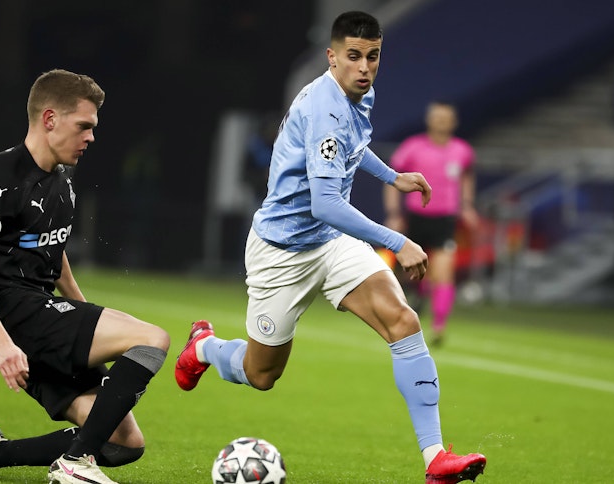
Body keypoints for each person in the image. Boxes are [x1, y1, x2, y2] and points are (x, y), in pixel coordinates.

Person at [175, 11, 486, 484]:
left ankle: (435, 459)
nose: (365, 67)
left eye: (373, 56)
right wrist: (397, 240)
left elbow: (353, 146)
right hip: (281, 251)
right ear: (332, 57)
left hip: (329, 244)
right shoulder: (325, 109)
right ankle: (206, 348)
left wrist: (392, 176)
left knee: (403, 321)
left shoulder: (358, 93)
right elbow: (324, 203)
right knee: (261, 374)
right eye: (354, 57)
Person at [0, 69, 170, 484]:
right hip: (12, 312)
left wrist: (81, 310)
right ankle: (74, 465)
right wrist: (4, 344)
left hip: (41, 314)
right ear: (49, 119)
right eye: (84, 126)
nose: (91, 137)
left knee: (122, 442)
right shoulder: (1, 176)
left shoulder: (62, 183)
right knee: (153, 338)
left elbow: (53, 254)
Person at [384, 101, 478, 346]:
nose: (441, 121)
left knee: (444, 272)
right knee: (415, 273)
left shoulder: (462, 151)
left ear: (453, 122)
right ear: (429, 119)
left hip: (446, 220)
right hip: (417, 218)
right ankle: (417, 297)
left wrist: (466, 205)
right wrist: (394, 212)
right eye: (437, 117)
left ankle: (438, 328)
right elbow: (391, 177)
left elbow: (467, 176)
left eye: (446, 117)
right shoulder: (412, 147)